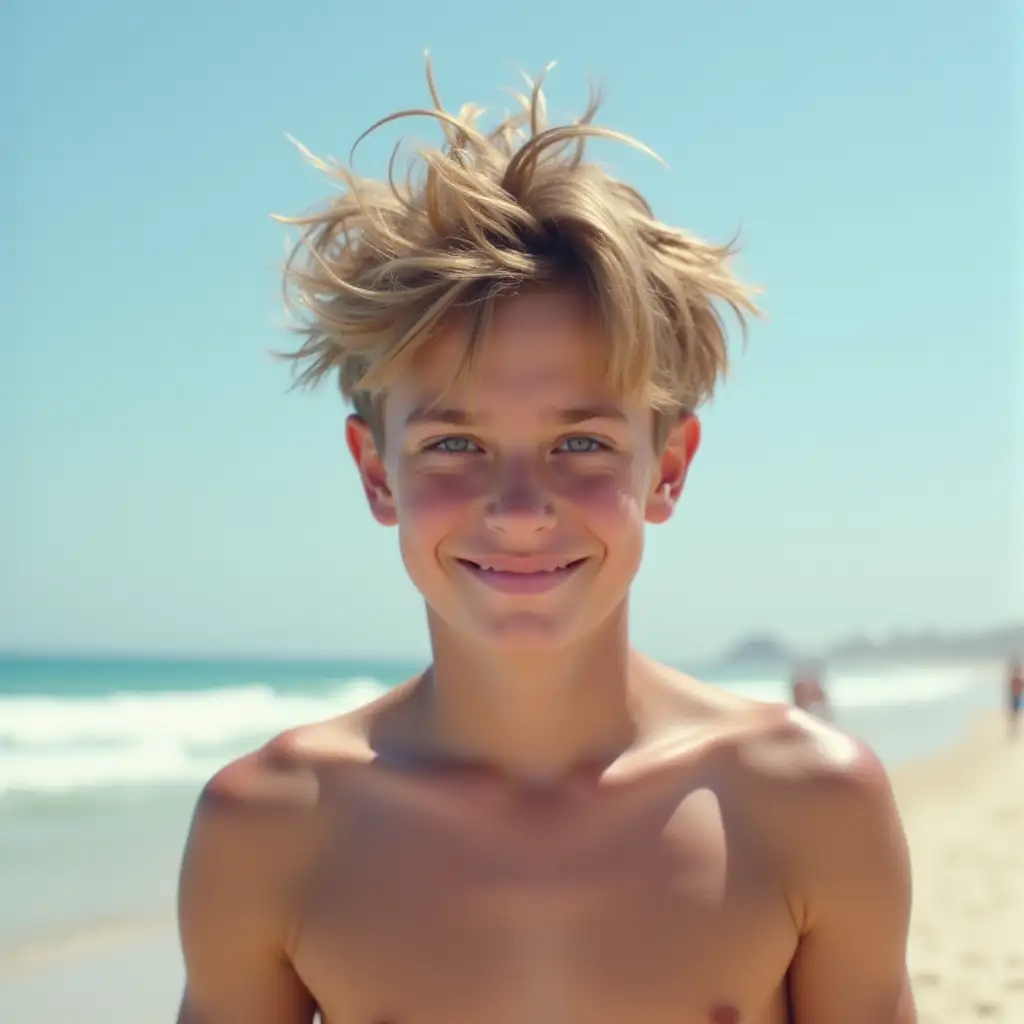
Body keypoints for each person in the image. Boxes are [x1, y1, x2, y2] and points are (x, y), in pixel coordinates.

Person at [175, 61, 916, 1024]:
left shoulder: (810, 808)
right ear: (375, 472)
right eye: (454, 444)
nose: (520, 508)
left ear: (669, 468)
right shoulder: (271, 831)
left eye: (580, 443)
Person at [1008, 653, 1023, 738]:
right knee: (1014, 714)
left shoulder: (1017, 678)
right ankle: (1014, 729)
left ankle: (1015, 729)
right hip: (1015, 696)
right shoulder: (1014, 678)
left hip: (1017, 696)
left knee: (1015, 713)